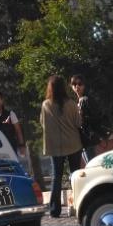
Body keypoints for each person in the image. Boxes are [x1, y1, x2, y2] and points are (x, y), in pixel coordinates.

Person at [40, 74, 83, 218]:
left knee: (56, 178)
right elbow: (78, 123)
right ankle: (79, 206)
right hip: (73, 143)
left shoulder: (46, 105)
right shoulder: (71, 104)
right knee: (75, 176)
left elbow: (42, 122)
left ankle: (54, 210)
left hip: (55, 146)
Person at [70, 74, 104, 162]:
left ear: (84, 85)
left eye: (80, 84)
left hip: (88, 139)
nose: (77, 86)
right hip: (84, 140)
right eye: (74, 84)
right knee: (89, 165)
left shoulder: (86, 100)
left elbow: (95, 117)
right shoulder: (79, 101)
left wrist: (82, 116)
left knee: (91, 166)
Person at [0, 89, 26, 160]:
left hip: (10, 149)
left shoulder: (11, 114)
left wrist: (21, 145)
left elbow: (18, 131)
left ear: (2, 101)